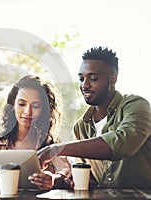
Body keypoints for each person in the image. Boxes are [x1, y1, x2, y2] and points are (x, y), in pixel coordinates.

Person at [37, 46, 151, 189]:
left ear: (112, 79)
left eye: (93, 78)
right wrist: (56, 179)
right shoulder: (81, 127)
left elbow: (124, 143)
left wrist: (54, 149)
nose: (84, 85)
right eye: (81, 78)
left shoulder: (136, 105)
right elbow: (79, 174)